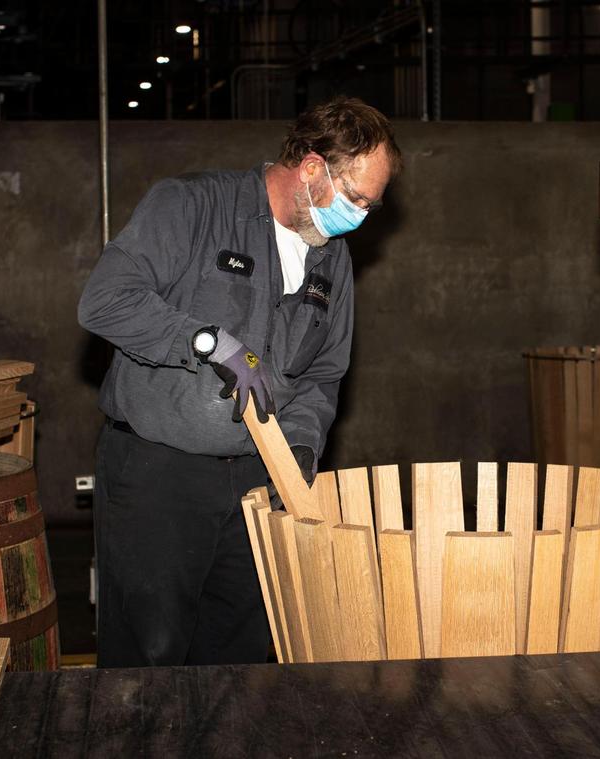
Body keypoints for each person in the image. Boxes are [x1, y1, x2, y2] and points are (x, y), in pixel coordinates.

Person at [78, 96, 401, 667]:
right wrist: (206, 341)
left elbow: (324, 373)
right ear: (311, 168)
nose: (360, 216)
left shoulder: (331, 259)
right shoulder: (193, 206)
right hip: (159, 476)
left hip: (257, 481)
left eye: (371, 206)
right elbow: (105, 302)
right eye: (355, 198)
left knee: (241, 660)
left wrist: (301, 445)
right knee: (148, 661)